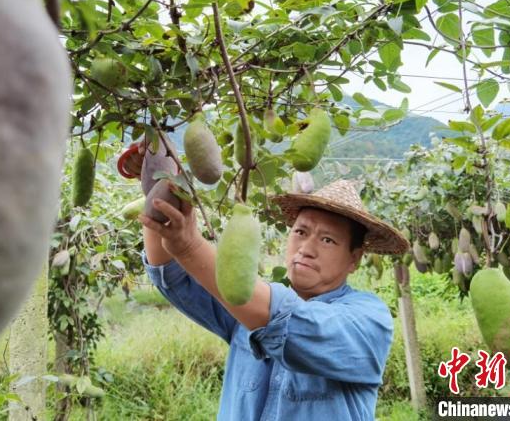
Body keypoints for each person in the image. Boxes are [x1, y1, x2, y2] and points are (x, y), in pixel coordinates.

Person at [120, 141, 409, 420]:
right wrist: (160, 184)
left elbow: (289, 321)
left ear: (354, 259)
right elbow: (171, 274)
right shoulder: (246, 308)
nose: (307, 248)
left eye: (328, 239)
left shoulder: (369, 319)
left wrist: (190, 247)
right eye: (300, 232)